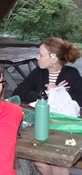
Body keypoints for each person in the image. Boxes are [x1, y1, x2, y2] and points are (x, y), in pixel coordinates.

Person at [12, 37, 82, 175]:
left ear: (54, 59)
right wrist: (45, 93)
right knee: (40, 162)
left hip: (63, 128)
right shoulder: (38, 72)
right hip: (40, 124)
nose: (37, 58)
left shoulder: (71, 74)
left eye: (41, 55)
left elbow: (80, 98)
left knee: (58, 163)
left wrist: (60, 92)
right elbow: (19, 92)